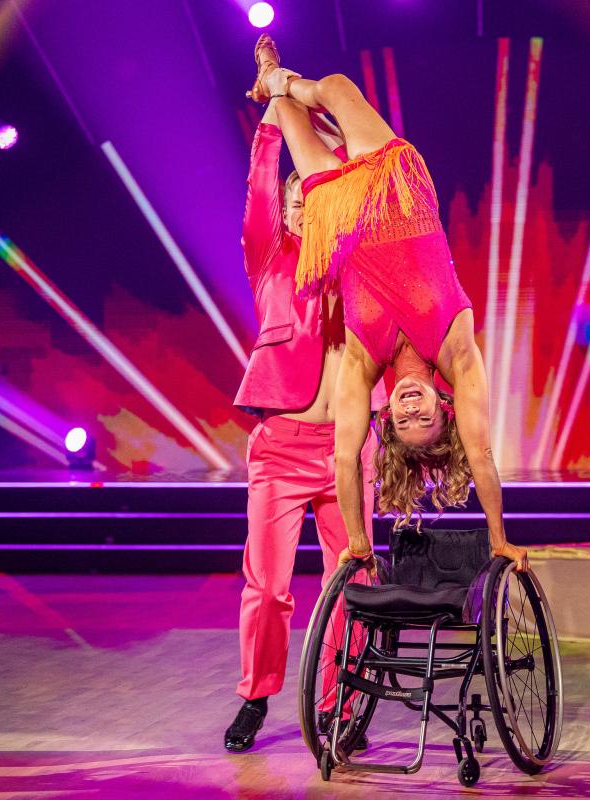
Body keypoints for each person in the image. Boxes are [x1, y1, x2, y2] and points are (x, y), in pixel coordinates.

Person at [251, 36, 528, 573]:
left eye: (403, 422)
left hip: (337, 215)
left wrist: (359, 543)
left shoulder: (362, 359)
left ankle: (274, 80)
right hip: (396, 188)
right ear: (443, 410)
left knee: (286, 115)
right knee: (333, 88)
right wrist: (498, 538)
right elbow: (482, 455)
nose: (408, 409)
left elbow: (345, 458)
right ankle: (285, 79)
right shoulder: (457, 351)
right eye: (423, 416)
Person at [224, 95, 380, 753]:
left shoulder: (363, 268)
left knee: (355, 582)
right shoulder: (269, 259)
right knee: (268, 589)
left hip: (349, 449)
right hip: (281, 448)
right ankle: (257, 696)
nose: (296, 208)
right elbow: (262, 190)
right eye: (292, 202)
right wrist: (274, 111)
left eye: (308, 198)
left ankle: (339, 707)